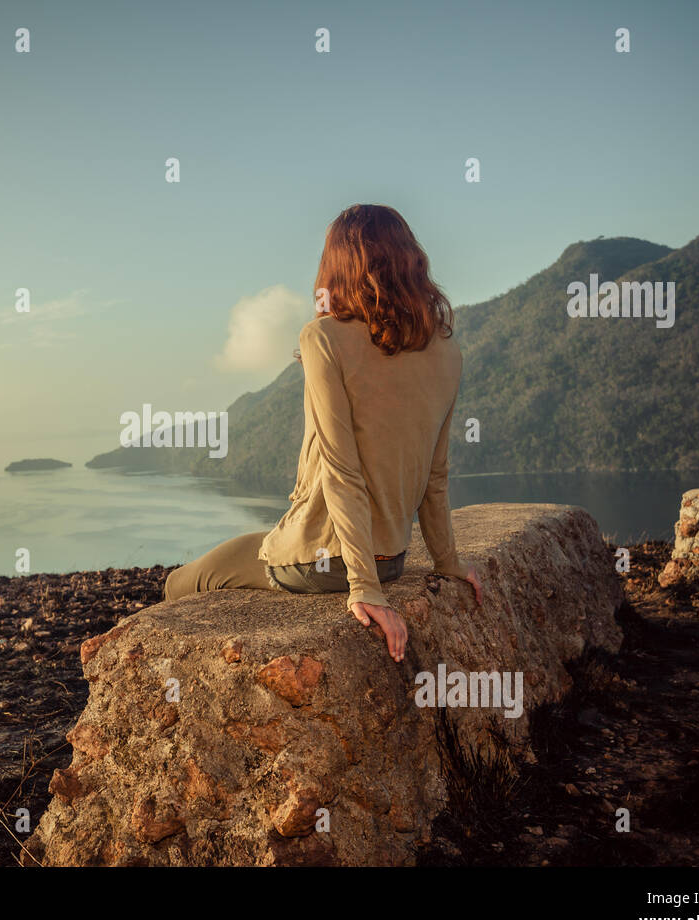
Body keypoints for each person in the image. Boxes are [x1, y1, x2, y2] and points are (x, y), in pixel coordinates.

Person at [163, 203, 483, 662]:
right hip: (391, 560)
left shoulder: (324, 338)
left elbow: (340, 471)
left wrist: (363, 588)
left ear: (338, 266)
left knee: (184, 581)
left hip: (327, 563)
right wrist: (446, 561)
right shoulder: (447, 352)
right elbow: (435, 475)